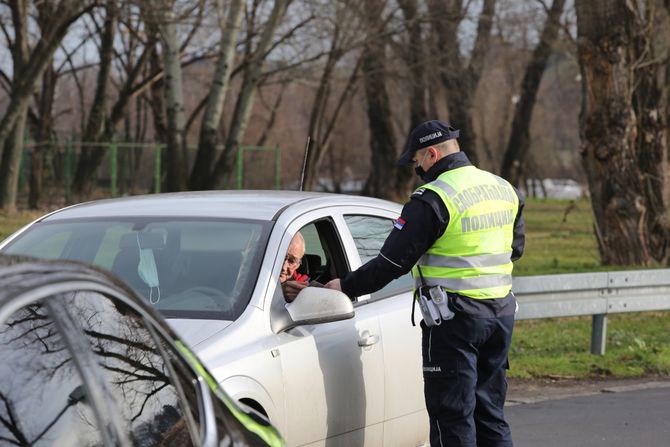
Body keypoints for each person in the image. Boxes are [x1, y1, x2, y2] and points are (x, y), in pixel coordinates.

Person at [325, 119, 525, 447]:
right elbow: (514, 249)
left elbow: (391, 264)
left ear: (432, 154)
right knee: (490, 413)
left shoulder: (433, 198)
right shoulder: (504, 189)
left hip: (455, 321)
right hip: (501, 314)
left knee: (452, 417)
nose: (417, 169)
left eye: (417, 162)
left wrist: (344, 287)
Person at [280, 232, 308, 302]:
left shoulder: (304, 290)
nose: (284, 267)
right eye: (280, 257)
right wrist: (279, 292)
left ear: (298, 264)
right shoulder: (252, 277)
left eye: (291, 261)